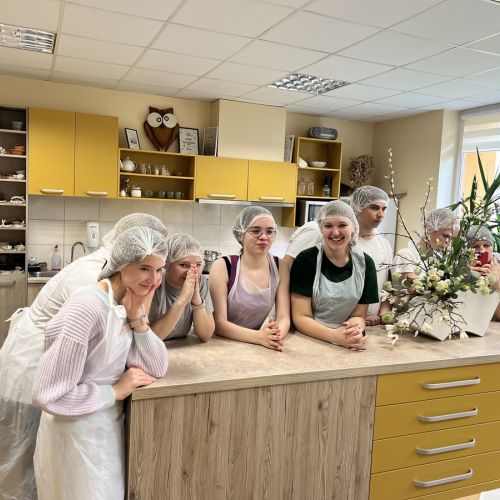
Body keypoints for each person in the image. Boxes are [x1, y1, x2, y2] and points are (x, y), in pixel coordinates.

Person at [0, 213, 168, 500]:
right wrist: (115, 390)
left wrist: (139, 321)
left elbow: (157, 366)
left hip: (101, 427)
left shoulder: (123, 303)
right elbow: (50, 395)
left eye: (159, 270)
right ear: (122, 263)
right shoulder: (88, 303)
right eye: (145, 268)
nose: (154, 280)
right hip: (73, 433)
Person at [290, 200, 378, 350]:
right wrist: (335, 336)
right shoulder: (306, 260)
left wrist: (353, 332)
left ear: (353, 228)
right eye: (328, 225)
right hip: (310, 338)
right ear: (321, 228)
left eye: (342, 225)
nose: (335, 232)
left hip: (345, 339)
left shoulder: (365, 263)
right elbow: (300, 317)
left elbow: (358, 315)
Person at [209, 206, 290, 351]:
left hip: (258, 345)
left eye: (269, 231)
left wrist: (275, 336)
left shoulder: (280, 267)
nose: (264, 237)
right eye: (256, 231)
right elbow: (220, 323)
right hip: (222, 345)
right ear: (241, 234)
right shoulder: (223, 267)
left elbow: (284, 317)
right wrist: (259, 337)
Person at [150, 233, 215, 342]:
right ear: (167, 264)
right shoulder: (155, 282)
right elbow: (150, 338)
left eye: (198, 265)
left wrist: (196, 298)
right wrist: (183, 299)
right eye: (183, 265)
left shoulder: (200, 282)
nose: (191, 272)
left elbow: (206, 335)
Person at [350, 186, 394, 326]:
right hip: (347, 320)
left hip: (376, 321)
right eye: (374, 208)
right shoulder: (347, 243)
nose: (381, 214)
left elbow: (388, 284)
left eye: (384, 209)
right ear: (358, 208)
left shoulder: (384, 244)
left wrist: (384, 313)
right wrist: (359, 316)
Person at [393, 207, 459, 280]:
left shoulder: (439, 260)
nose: (448, 243)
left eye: (451, 239)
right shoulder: (405, 255)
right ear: (430, 229)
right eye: (446, 236)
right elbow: (414, 285)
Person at [466, 225, 500, 321]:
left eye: (486, 245)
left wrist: (496, 283)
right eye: (475, 246)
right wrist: (467, 279)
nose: (482, 250)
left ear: (492, 247)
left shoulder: (498, 267)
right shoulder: (462, 269)